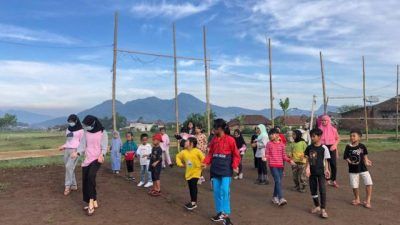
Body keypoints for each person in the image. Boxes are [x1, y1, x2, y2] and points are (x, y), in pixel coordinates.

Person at [203, 119, 240, 225]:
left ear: (220, 128)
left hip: (226, 170)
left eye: (215, 128)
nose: (213, 130)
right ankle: (219, 213)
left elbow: (236, 155)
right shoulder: (214, 139)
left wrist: (234, 166)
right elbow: (210, 154)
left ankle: (226, 215)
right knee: (216, 192)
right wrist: (206, 162)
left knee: (224, 190)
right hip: (215, 170)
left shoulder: (230, 140)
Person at [72, 115, 108, 216]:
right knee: (85, 180)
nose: (86, 127)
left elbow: (104, 147)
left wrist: (102, 155)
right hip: (87, 159)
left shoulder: (102, 132)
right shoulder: (86, 133)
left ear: (93, 123)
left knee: (91, 176)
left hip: (97, 159)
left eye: (88, 125)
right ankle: (93, 199)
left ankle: (91, 202)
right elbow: (82, 145)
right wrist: (77, 153)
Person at [304, 128, 331, 219]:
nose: (312, 138)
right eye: (311, 136)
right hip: (311, 173)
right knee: (313, 190)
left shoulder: (324, 148)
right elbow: (307, 159)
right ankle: (317, 206)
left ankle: (323, 210)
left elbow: (326, 160)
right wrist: (307, 168)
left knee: (322, 190)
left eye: (314, 136)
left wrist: (327, 169)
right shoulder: (309, 148)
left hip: (321, 173)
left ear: (319, 137)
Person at [343, 130, 373, 209]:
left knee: (369, 183)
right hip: (353, 169)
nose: (351, 137)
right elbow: (345, 157)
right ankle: (357, 199)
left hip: (363, 168)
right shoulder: (348, 147)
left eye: (354, 136)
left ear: (359, 137)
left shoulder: (362, 146)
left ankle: (368, 201)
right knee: (354, 185)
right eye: (351, 136)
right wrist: (350, 162)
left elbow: (365, 155)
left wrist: (366, 161)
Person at [266, 128, 295, 206]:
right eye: (270, 135)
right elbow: (267, 154)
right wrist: (265, 157)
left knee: (277, 182)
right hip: (273, 166)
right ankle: (281, 198)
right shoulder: (269, 144)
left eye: (272, 134)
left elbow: (284, 156)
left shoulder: (282, 145)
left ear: (277, 134)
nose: (270, 136)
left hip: (280, 166)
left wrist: (290, 161)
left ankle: (274, 197)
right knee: (278, 181)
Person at [176, 137, 205, 211]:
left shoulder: (197, 151)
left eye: (187, 142)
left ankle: (193, 203)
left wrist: (203, 164)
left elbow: (204, 159)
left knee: (193, 186)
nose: (185, 143)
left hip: (196, 172)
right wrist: (180, 164)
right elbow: (178, 157)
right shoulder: (184, 152)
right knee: (191, 187)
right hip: (188, 173)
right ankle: (192, 201)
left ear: (191, 144)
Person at [58, 114, 84, 196]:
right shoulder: (68, 129)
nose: (70, 123)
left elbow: (82, 143)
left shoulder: (81, 131)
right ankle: (74, 185)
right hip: (67, 150)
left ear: (76, 121)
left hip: (75, 151)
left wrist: (77, 152)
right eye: (69, 122)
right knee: (70, 168)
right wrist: (64, 146)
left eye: (71, 121)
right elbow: (68, 141)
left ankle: (67, 186)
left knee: (68, 167)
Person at [318, 115, 340, 188]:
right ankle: (326, 179)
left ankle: (333, 180)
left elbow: (337, 138)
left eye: (325, 120)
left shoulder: (333, 129)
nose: (323, 122)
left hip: (331, 147)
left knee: (333, 163)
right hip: (322, 147)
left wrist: (335, 145)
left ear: (328, 121)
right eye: (322, 120)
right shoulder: (319, 130)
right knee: (324, 163)